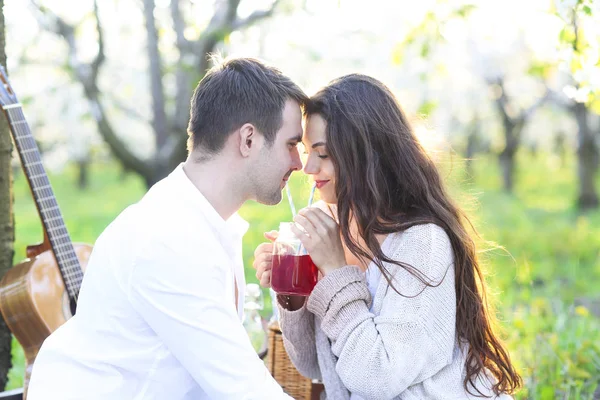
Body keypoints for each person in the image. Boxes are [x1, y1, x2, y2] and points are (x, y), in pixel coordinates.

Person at [28, 57, 307, 400]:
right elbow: (246, 391)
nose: (299, 162)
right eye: (291, 144)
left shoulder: (207, 224)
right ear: (248, 139)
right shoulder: (169, 239)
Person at [253, 74, 522, 400]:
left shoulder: (422, 242)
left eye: (323, 155)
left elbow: (378, 377)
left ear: (365, 153)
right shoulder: (336, 231)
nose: (308, 168)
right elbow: (316, 366)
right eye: (308, 151)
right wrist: (292, 290)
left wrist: (337, 272)